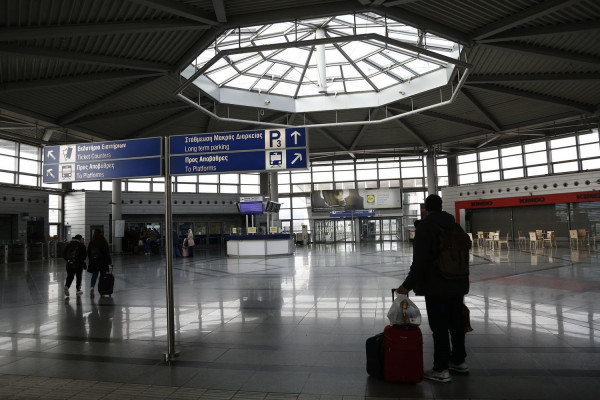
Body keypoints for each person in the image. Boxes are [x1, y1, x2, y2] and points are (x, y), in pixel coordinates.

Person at [396, 194, 469, 383]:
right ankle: (459, 361)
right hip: (458, 283)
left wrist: (407, 285)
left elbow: (420, 261)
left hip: (437, 285)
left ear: (426, 209)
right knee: (456, 324)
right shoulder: (455, 225)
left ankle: (441, 369)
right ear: (441, 206)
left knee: (440, 327)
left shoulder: (426, 227)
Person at [87, 230, 112, 297]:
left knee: (94, 275)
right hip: (102, 262)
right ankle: (102, 289)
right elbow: (107, 253)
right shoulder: (103, 241)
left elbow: (88, 253)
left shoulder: (92, 242)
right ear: (100, 234)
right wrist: (109, 263)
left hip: (94, 262)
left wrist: (91, 260)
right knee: (102, 276)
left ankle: (92, 287)